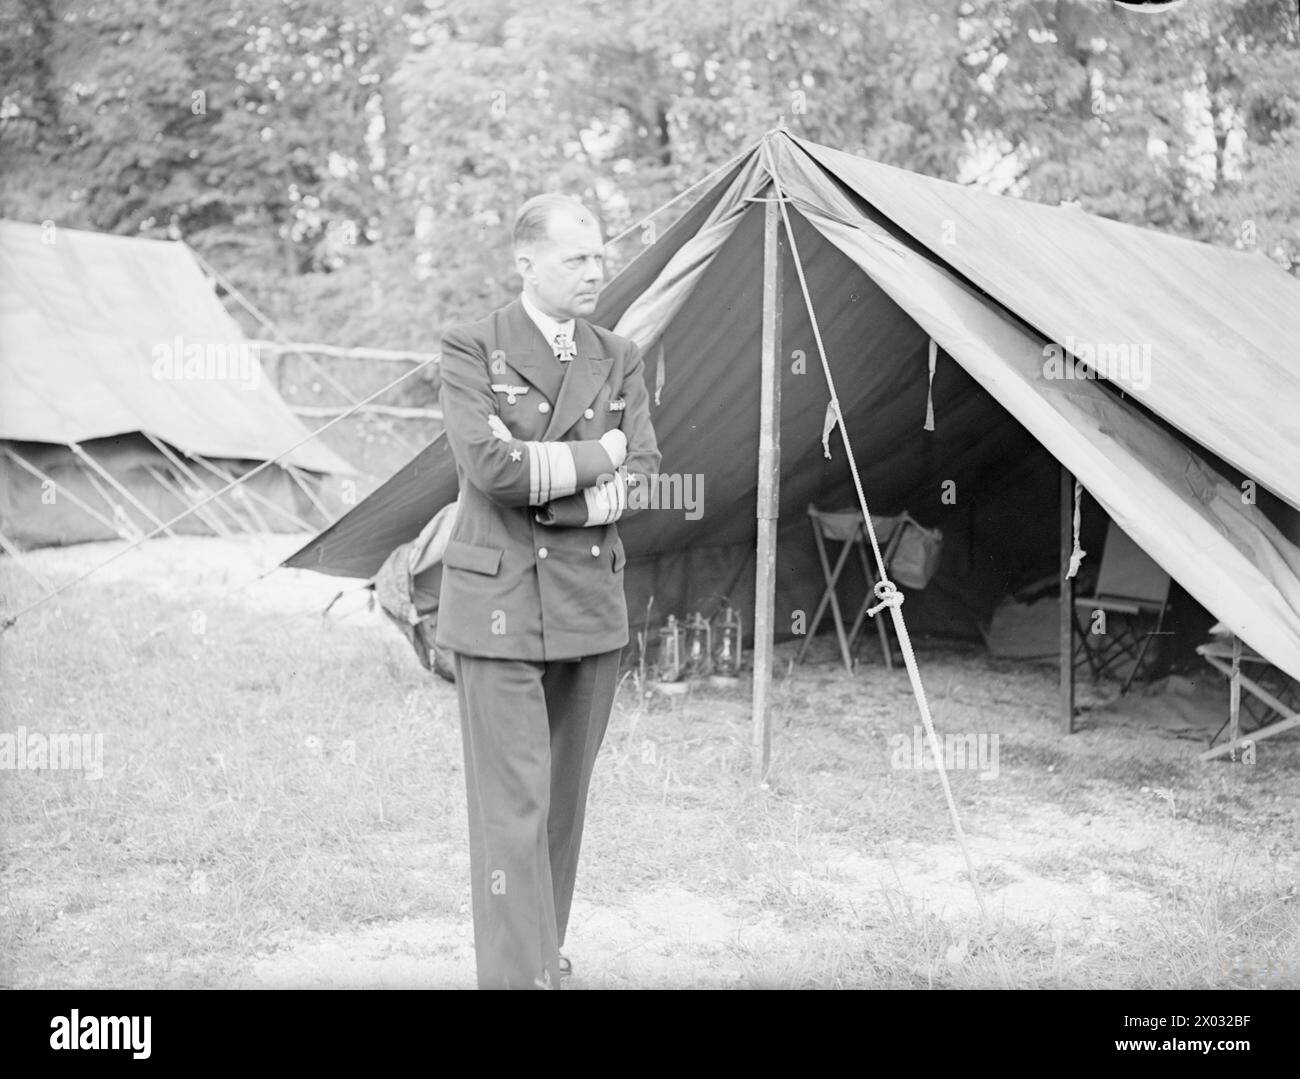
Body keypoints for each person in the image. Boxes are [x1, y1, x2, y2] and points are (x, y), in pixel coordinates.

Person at [435, 193, 661, 989]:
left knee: (563, 805)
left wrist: (557, 480)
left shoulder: (619, 353)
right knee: (513, 811)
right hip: (496, 606)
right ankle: (515, 977)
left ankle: (542, 958)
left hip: (589, 606)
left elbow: (645, 473)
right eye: (576, 258)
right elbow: (490, 470)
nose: (595, 271)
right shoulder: (471, 348)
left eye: (599, 256)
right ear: (526, 263)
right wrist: (599, 454)